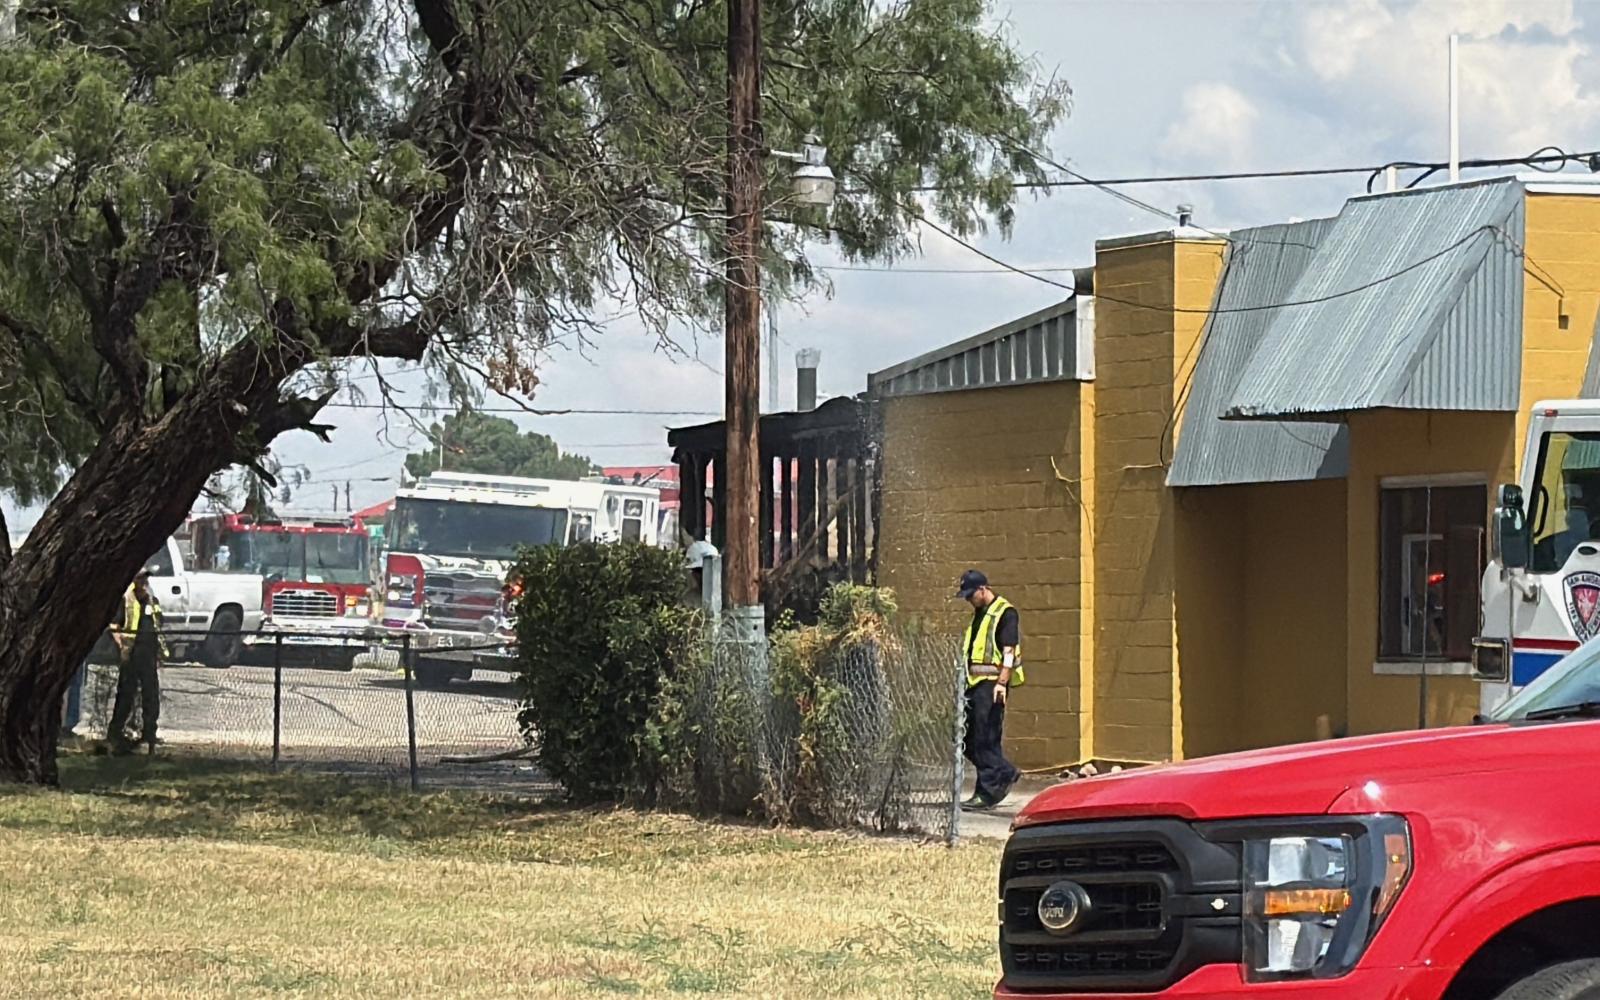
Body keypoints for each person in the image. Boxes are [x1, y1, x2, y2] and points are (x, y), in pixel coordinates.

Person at [957, 568, 1023, 810]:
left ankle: (987, 792)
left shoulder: (1005, 613)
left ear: (983, 589)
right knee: (967, 739)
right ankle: (1004, 771)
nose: (968, 600)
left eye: (970, 594)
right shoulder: (980, 613)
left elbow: (1009, 652)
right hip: (975, 685)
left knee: (986, 739)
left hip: (993, 685)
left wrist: (1002, 683)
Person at [108, 568, 164, 755]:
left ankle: (149, 734)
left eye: (145, 578)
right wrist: (122, 645)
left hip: (148, 655)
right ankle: (115, 734)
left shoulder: (152, 600)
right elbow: (115, 625)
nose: (143, 581)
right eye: (140, 578)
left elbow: (158, 626)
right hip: (131, 654)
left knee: (151, 696)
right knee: (126, 695)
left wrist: (159, 653)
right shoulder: (126, 599)